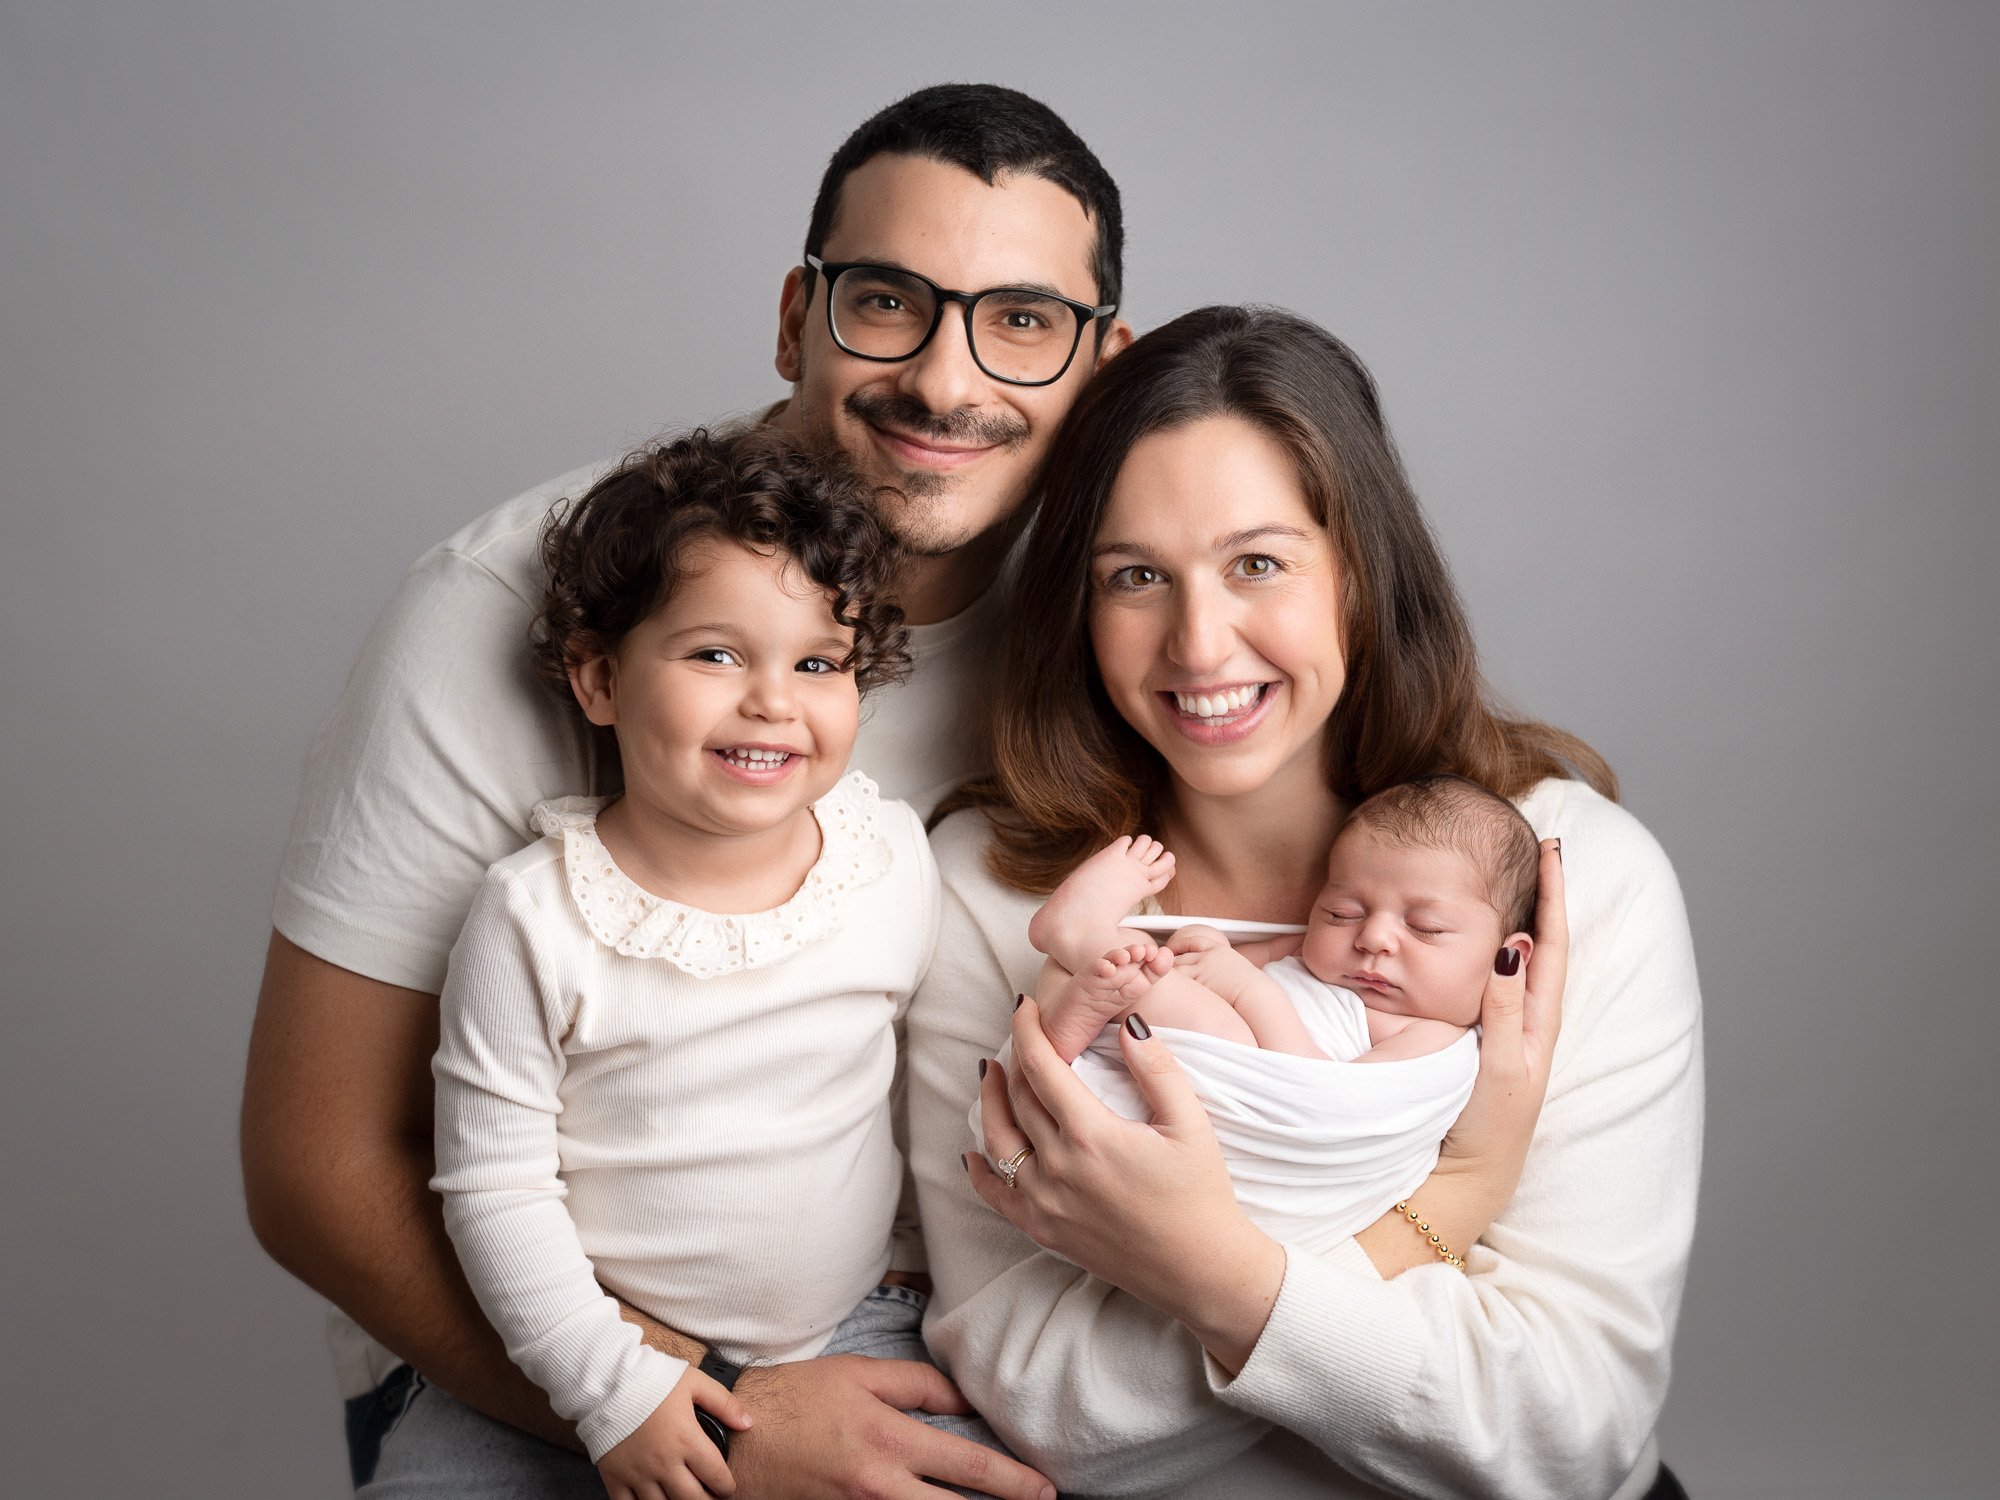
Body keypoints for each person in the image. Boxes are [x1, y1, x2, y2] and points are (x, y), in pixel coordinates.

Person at [241, 82, 1127, 1497]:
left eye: (1023, 321)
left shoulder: (1132, 627)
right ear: (797, 317)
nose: (950, 382)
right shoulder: (507, 606)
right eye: (889, 301)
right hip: (537, 1361)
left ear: (1101, 364)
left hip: (925, 1345)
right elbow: (316, 1166)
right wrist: (712, 1418)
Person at [906, 305, 1702, 1498]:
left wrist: (1207, 1271)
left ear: (1361, 573)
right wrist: (1447, 1207)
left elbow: (1563, 1432)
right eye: (1134, 577)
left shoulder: (1567, 874)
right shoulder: (990, 887)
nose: (1198, 641)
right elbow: (1033, 1404)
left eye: (1257, 563)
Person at [432, 428, 1012, 1499]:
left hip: (855, 1327)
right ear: (599, 677)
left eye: (816, 663)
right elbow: (492, 1187)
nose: (772, 701)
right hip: (593, 1348)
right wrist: (610, 1388)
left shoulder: (883, 859)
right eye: (715, 654)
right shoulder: (535, 918)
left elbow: (924, 1085)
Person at [1000, 776, 1536, 1259]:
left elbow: (1316, 1098)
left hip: (1236, 1155)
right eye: (1342, 912)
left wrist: (1248, 988)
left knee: (1200, 1012)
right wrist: (1203, 948)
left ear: (1506, 955)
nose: (1371, 938)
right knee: (1138, 961)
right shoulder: (1309, 953)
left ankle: (1078, 935)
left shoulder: (1437, 1042)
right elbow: (1220, 960)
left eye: (1426, 928)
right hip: (1089, 1119)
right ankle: (1066, 1035)